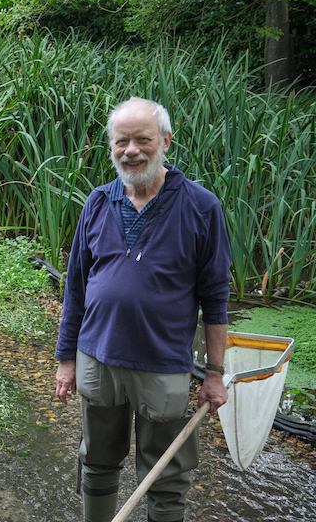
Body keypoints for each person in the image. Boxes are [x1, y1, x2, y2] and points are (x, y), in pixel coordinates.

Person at [54, 97, 230, 522]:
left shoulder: (201, 206)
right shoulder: (97, 202)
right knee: (96, 460)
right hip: (97, 357)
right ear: (112, 147)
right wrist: (65, 359)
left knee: (166, 473)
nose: (131, 150)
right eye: (121, 141)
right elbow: (75, 287)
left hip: (163, 364)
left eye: (142, 140)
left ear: (165, 142)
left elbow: (216, 298)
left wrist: (214, 373)